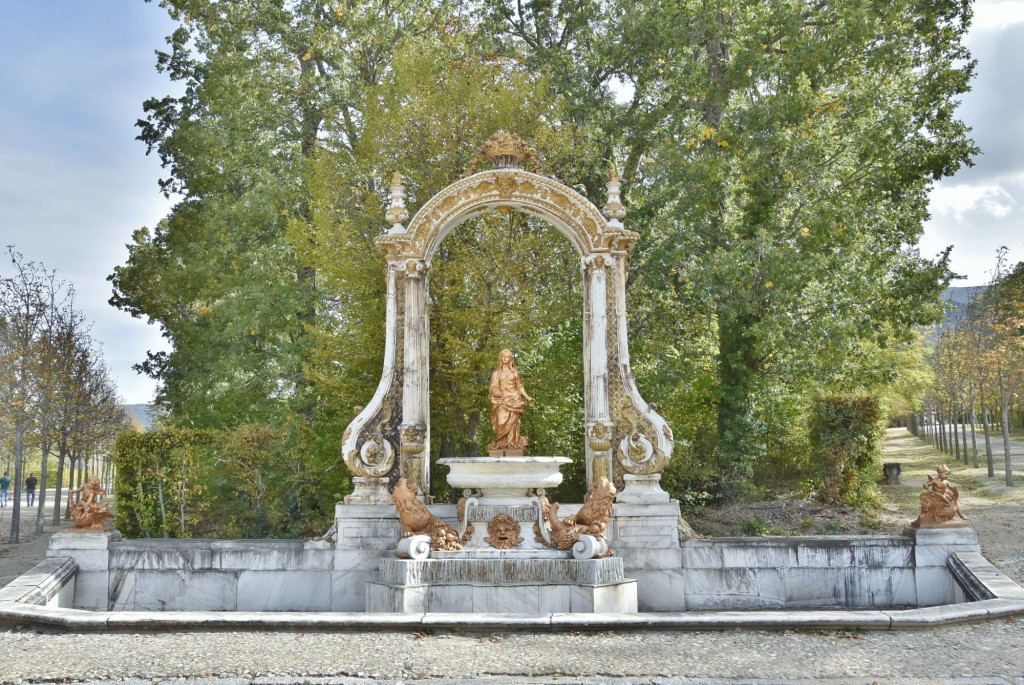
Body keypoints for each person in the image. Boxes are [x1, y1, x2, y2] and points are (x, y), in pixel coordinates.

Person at [487, 348, 534, 454]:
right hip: (502, 401)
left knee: (513, 425)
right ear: (500, 358)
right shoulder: (496, 373)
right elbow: (493, 386)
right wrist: (497, 392)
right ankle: (500, 444)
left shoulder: (515, 373)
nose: (505, 358)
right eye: (503, 356)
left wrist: (528, 397)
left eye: (507, 356)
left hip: (515, 400)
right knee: (500, 422)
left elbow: (520, 387)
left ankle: (511, 444)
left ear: (511, 359)